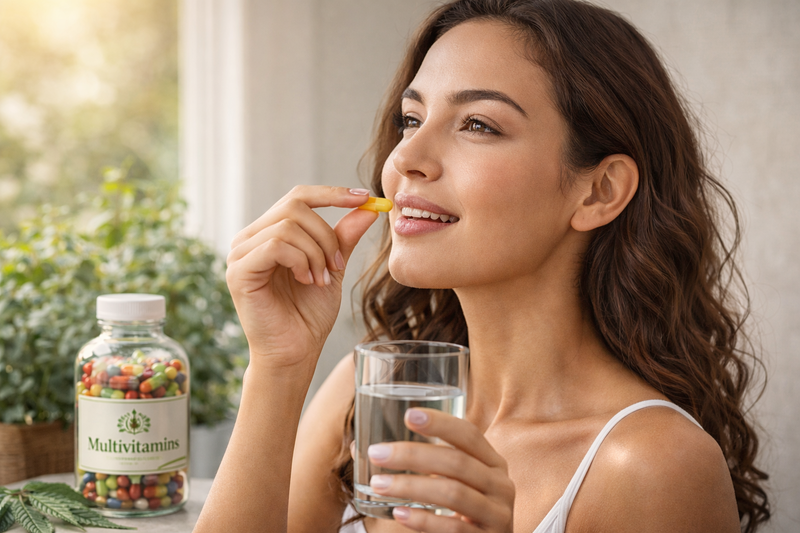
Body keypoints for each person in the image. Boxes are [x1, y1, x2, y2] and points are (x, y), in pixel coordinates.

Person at [194, 0, 771, 531]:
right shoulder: (373, 388)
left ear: (599, 191)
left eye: (478, 125)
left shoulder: (651, 465)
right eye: (411, 120)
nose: (404, 160)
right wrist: (278, 366)